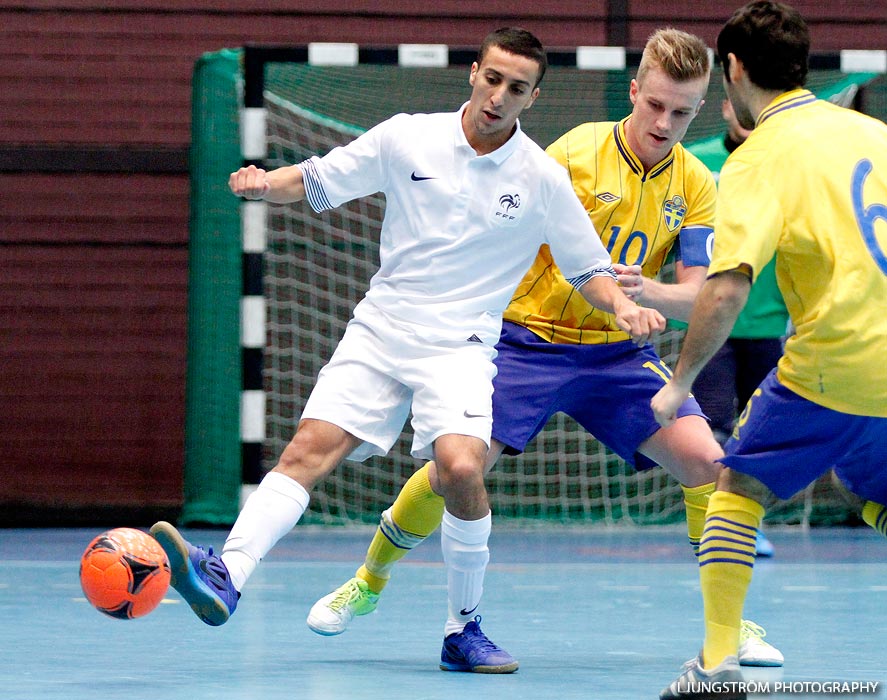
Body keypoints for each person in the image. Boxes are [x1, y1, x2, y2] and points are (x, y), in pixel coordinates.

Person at [150, 27, 665, 675]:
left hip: (462, 345)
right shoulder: (405, 136)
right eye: (492, 79)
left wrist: (619, 303)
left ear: (532, 98)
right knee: (307, 450)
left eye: (516, 88)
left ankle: (463, 628)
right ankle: (228, 573)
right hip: (383, 329)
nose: (499, 96)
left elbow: (585, 264)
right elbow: (315, 179)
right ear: (472, 73)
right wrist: (261, 184)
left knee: (460, 469)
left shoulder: (541, 177)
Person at [307, 27, 783, 669]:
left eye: (682, 111)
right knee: (459, 470)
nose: (665, 122)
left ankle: (731, 623)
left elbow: (695, 293)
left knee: (708, 461)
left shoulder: (697, 183)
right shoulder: (571, 154)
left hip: (616, 357)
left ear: (700, 109)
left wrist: (646, 300)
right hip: (525, 342)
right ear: (634, 91)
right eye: (655, 105)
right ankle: (368, 581)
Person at [651, 2, 887, 697]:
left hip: (838, 355)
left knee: (737, 487)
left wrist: (678, 380)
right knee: (867, 487)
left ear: (731, 70)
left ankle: (717, 664)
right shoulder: (871, 131)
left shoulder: (757, 157)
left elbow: (723, 289)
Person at [689, 97, 790, 558]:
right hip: (713, 322)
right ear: (727, 107)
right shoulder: (698, 161)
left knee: (762, 431)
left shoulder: (785, 165)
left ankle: (749, 521)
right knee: (710, 426)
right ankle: (717, 519)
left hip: (768, 321)